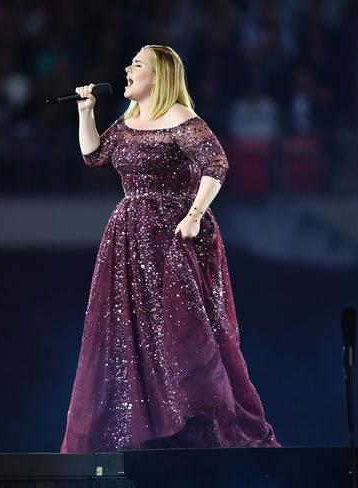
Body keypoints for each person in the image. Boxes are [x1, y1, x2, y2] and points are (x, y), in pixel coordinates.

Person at [60, 45, 279, 452]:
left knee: (182, 331)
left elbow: (216, 165)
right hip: (130, 239)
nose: (127, 68)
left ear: (158, 77)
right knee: (133, 333)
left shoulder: (179, 117)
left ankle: (195, 421)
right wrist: (85, 111)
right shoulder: (128, 122)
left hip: (173, 239)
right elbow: (94, 157)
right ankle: (149, 428)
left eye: (137, 64)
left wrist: (194, 215)